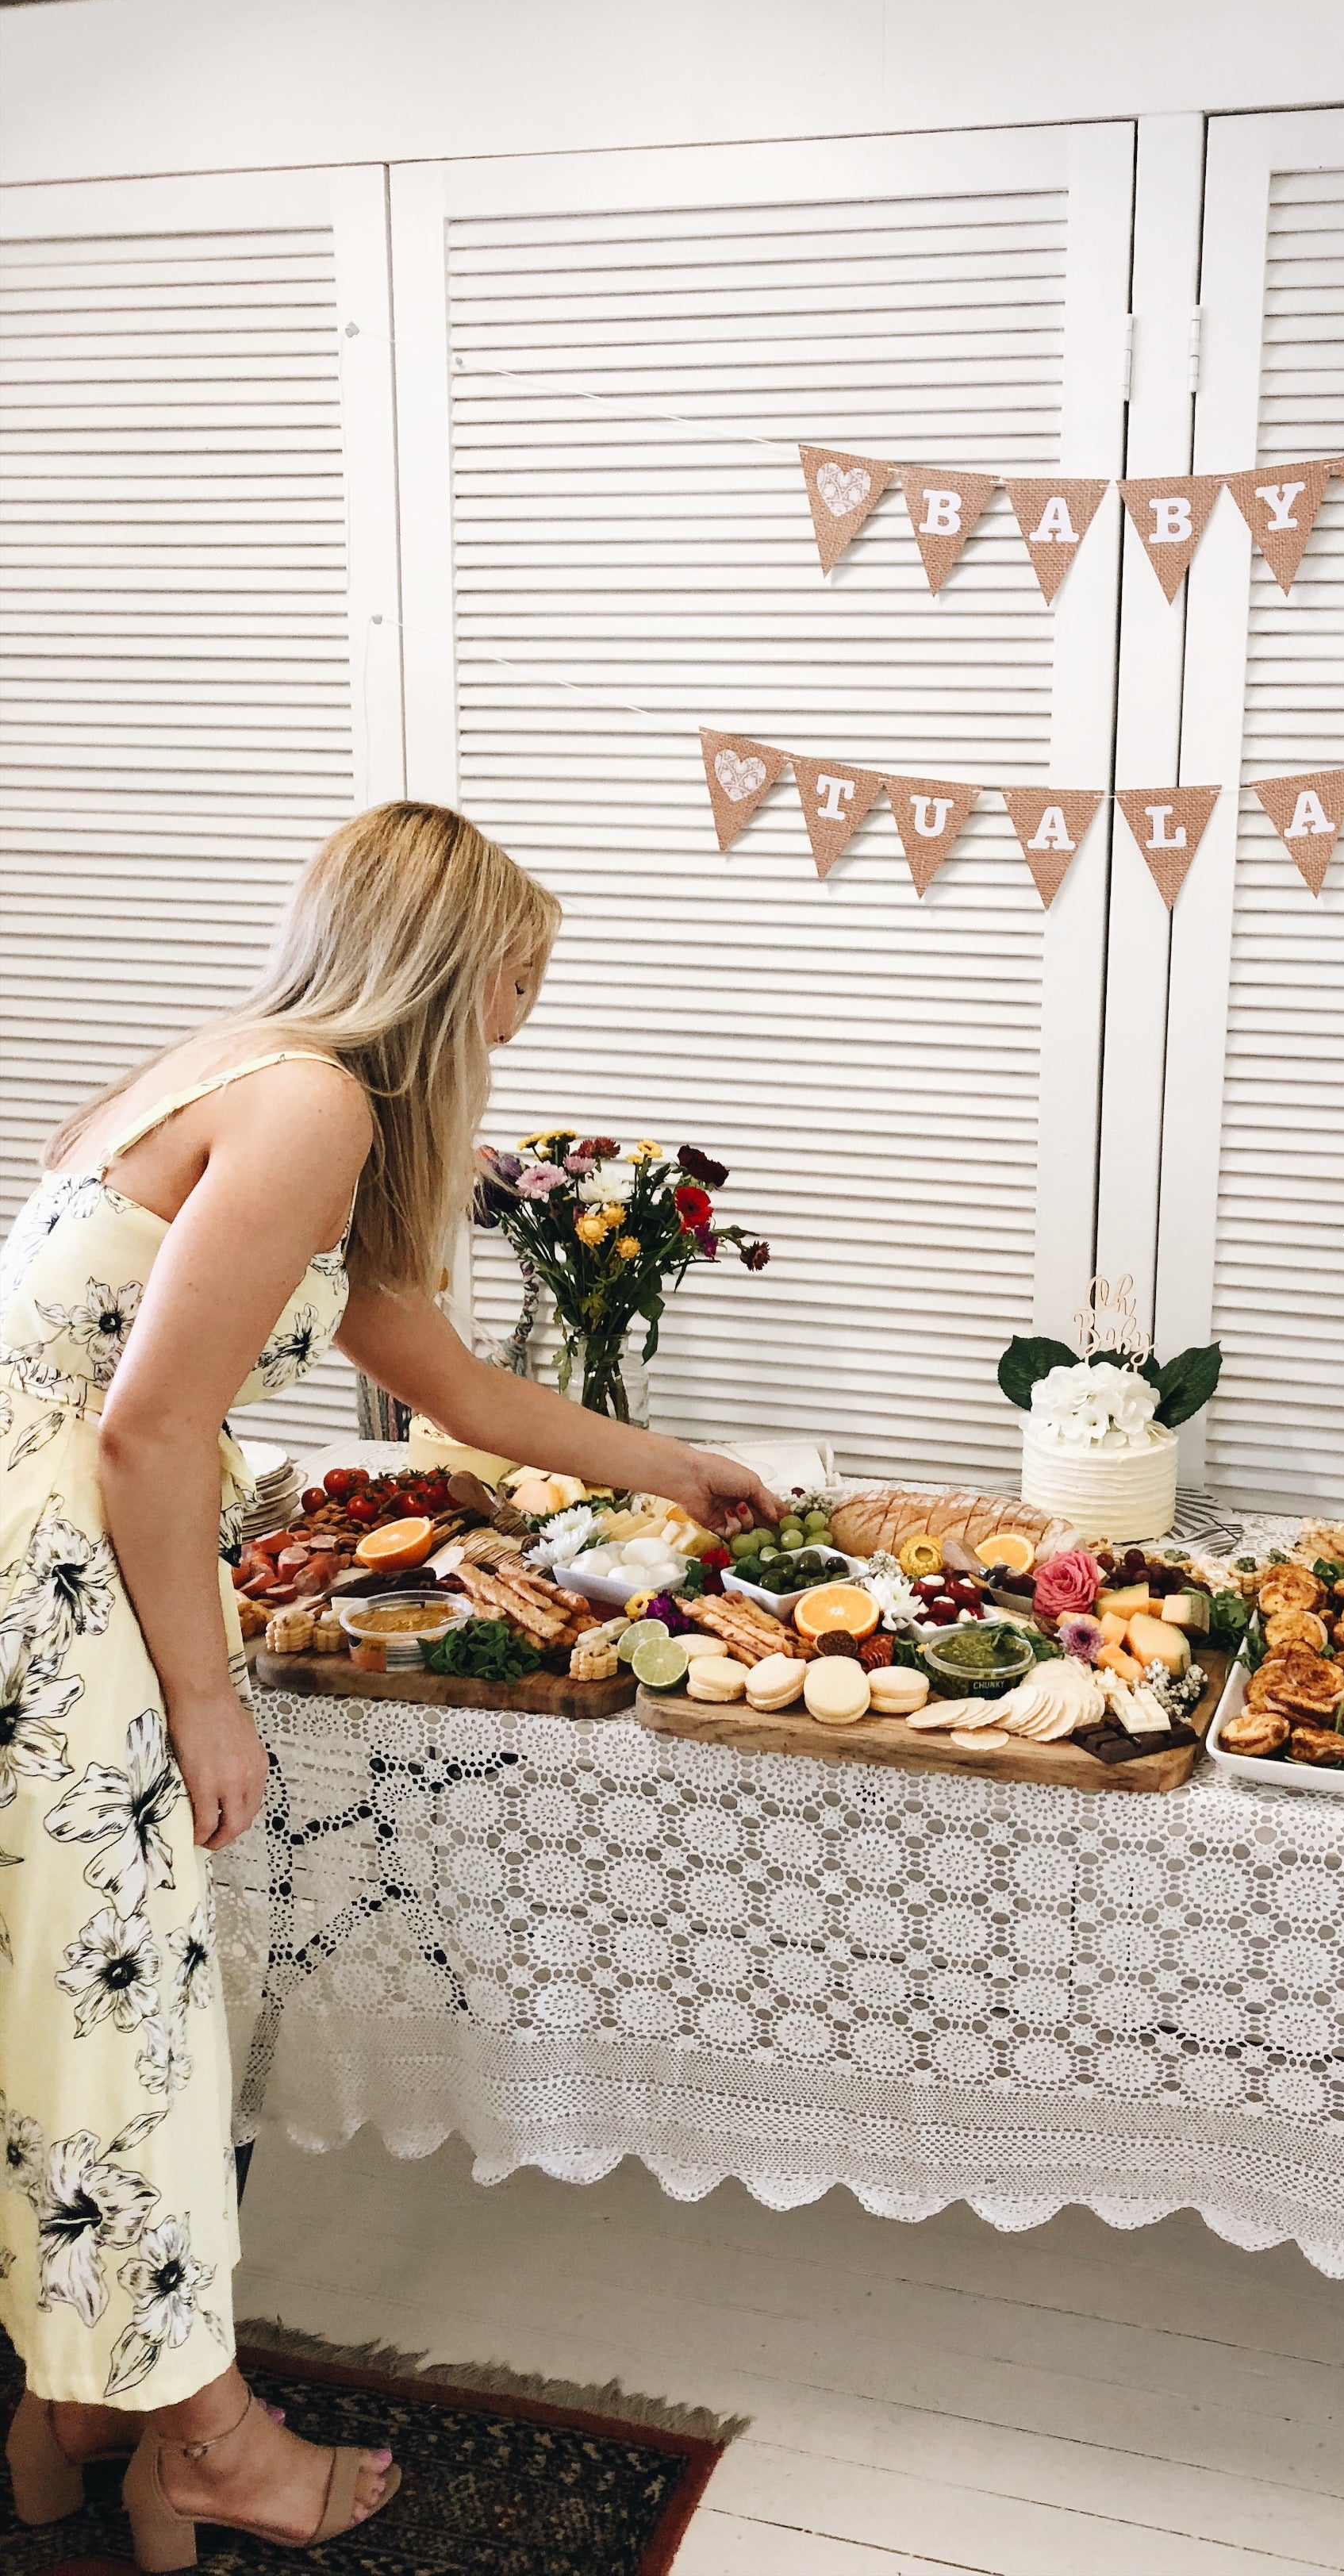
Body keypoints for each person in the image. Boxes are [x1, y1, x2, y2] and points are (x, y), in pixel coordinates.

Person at [0, 802, 775, 2564]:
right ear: (461, 964)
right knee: (128, 2022)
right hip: (59, 1590)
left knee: (63, 2008)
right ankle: (199, 2440)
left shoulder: (220, 1071)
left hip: (44, 1546)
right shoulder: (316, 1104)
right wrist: (205, 1698)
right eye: (525, 979)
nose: (524, 1020)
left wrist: (673, 1466)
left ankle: (69, 2414)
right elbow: (147, 1430)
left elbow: (439, 1374)